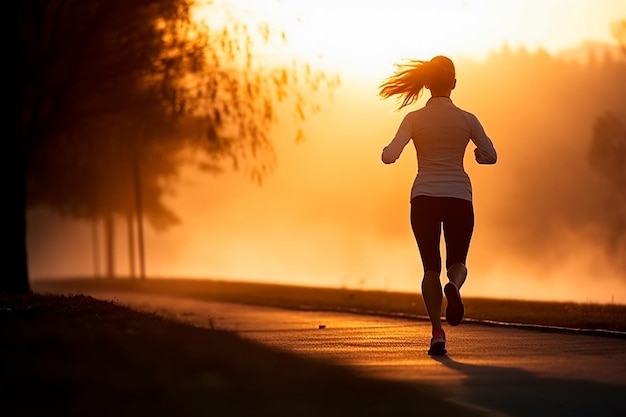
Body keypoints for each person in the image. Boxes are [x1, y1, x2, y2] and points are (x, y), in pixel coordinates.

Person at [379, 56, 497, 355]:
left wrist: (385, 151)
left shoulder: (414, 119)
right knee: (457, 262)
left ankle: (437, 332)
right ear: (454, 84)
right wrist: (478, 158)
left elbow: (389, 156)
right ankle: (455, 286)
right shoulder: (467, 119)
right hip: (459, 195)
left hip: (424, 199)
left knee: (430, 268)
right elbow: (491, 155)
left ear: (427, 84)